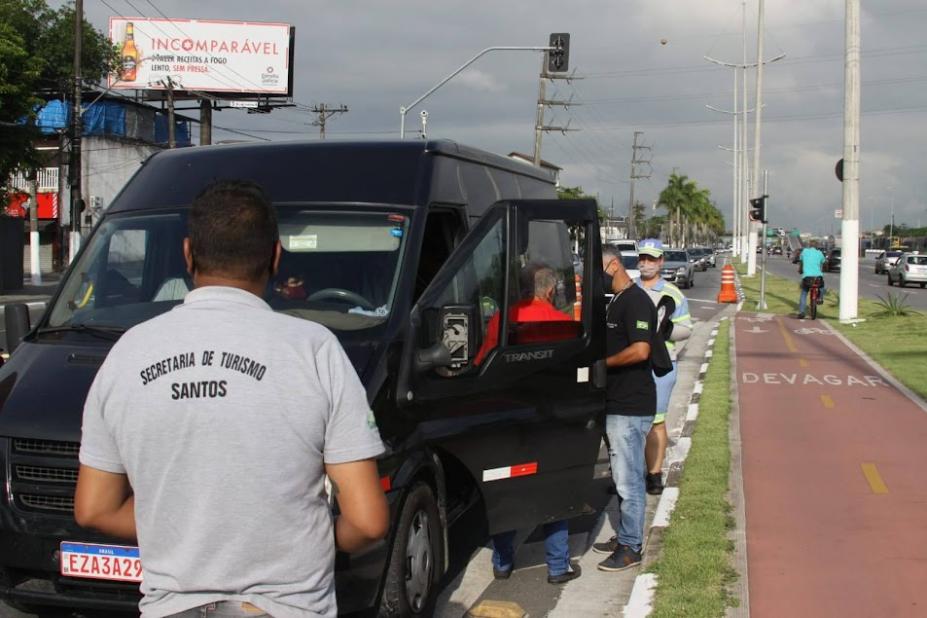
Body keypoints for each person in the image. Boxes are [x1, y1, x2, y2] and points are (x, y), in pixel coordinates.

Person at [74, 180, 389, 618]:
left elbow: (93, 509)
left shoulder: (128, 353)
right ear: (275, 257)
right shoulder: (314, 350)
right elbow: (369, 520)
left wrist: (180, 525)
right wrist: (310, 534)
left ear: (188, 254)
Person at [487, 263, 581, 584]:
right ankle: (557, 566)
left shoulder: (503, 320)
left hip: (509, 418)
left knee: (505, 491)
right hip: (551, 420)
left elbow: (484, 364)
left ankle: (502, 562)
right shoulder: (565, 323)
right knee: (555, 490)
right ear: (551, 290)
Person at [594, 248, 657, 572]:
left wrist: (603, 365)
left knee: (629, 478)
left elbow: (641, 349)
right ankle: (625, 535)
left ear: (614, 264)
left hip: (630, 407)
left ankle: (631, 547)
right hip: (615, 404)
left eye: (599, 269)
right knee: (620, 476)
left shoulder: (636, 301)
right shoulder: (615, 300)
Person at [634, 239, 693, 495]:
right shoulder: (629, 289)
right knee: (630, 423)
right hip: (631, 364)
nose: (646, 263)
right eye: (643, 258)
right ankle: (628, 474)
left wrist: (666, 329)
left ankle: (654, 474)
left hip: (660, 366)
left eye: (651, 259)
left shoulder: (672, 294)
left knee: (656, 421)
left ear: (661, 262)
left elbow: (686, 329)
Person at [797, 240, 826, 319]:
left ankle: (802, 312)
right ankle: (820, 297)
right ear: (817, 246)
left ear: (809, 245)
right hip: (818, 278)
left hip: (807, 278)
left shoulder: (804, 252)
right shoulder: (819, 253)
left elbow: (801, 262)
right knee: (822, 288)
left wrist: (800, 270)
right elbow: (823, 262)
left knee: (804, 293)